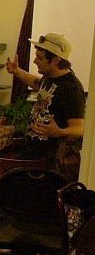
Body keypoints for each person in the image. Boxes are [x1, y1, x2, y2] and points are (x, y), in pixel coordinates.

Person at [6, 33, 85, 182]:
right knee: (2, 181)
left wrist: (59, 132)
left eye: (40, 58)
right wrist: (17, 71)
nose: (35, 61)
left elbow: (79, 128)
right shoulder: (49, 77)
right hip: (32, 151)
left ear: (56, 60)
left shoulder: (71, 89)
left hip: (48, 161)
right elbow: (37, 83)